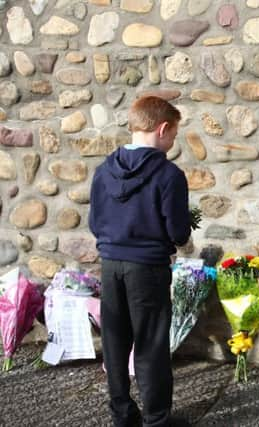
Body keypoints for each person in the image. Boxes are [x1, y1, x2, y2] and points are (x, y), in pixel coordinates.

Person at [89, 96, 191, 427]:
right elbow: (177, 231)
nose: (173, 142)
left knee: (114, 342)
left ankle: (122, 414)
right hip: (147, 267)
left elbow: (94, 222)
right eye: (173, 135)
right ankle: (156, 419)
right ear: (162, 129)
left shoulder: (104, 171)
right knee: (151, 343)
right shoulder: (169, 175)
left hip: (110, 264)